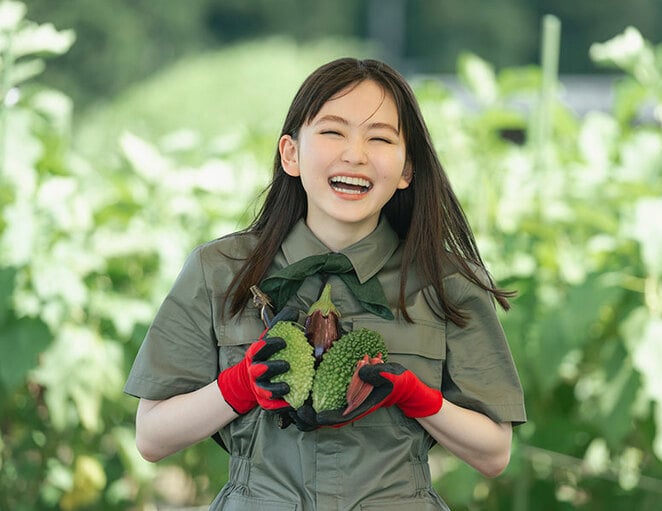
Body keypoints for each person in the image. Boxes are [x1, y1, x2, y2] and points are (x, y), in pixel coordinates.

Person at [124, 57, 526, 510]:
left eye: (379, 138)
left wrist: (414, 396)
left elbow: (494, 452)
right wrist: (239, 387)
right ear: (291, 154)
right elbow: (152, 437)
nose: (355, 154)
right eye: (333, 132)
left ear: (406, 169)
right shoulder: (218, 270)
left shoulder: (447, 283)